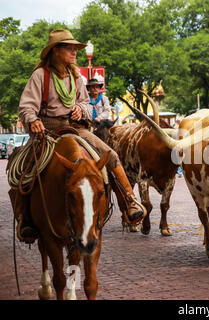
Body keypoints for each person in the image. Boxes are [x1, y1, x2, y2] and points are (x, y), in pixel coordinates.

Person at [10, 29, 145, 242]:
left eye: (75, 48)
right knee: (25, 168)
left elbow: (84, 103)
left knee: (109, 154)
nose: (74, 52)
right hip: (46, 129)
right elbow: (26, 106)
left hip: (74, 127)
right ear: (55, 51)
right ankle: (25, 218)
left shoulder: (76, 77)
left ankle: (129, 202)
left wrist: (81, 110)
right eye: (69, 48)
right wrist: (33, 120)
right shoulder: (40, 76)